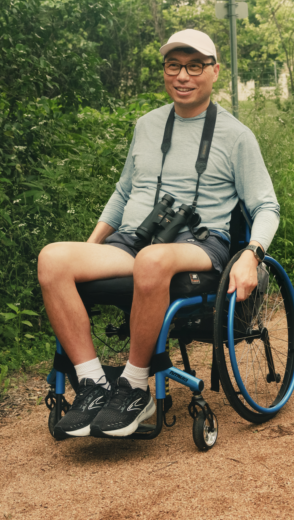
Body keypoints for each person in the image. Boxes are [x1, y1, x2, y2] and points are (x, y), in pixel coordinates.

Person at [37, 29, 280, 439]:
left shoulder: (236, 135)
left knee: (152, 260)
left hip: (199, 245)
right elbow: (123, 192)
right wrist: (89, 250)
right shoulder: (146, 125)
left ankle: (134, 387)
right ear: (165, 71)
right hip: (133, 239)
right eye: (174, 66)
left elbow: (266, 206)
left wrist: (251, 254)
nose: (183, 76)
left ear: (214, 71)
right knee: (52, 259)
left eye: (195, 66)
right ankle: (93, 384)